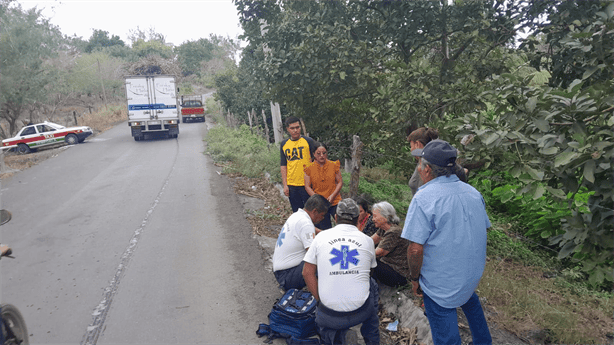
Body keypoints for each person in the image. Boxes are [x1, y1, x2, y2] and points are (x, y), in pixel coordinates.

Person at [401, 140, 492, 345]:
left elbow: (415, 249)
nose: (418, 168)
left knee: (446, 329)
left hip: (442, 281)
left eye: (419, 164)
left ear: (427, 170)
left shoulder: (424, 198)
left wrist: (415, 278)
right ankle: (483, 341)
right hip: (470, 275)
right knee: (470, 299)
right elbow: (480, 227)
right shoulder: (473, 193)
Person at [302, 198, 379, 345]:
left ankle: (339, 337)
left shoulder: (321, 237)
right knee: (372, 285)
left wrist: (320, 301)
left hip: (329, 315)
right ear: (358, 220)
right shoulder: (367, 241)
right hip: (360, 312)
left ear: (336, 218)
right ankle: (372, 339)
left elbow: (306, 273)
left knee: (322, 325)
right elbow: (369, 272)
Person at [272, 194, 330, 291]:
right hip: (287, 276)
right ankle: (319, 295)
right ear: (315, 211)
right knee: (322, 261)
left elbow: (311, 229)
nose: (322, 218)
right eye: (322, 215)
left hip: (280, 272)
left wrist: (326, 233)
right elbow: (313, 255)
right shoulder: (306, 224)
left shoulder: (297, 216)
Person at [406, 127, 467, 195]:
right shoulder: (445, 162)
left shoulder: (426, 166)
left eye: (411, 146)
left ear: (417, 144)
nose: (411, 150)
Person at [280, 116, 317, 212]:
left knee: (311, 212)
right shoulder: (284, 144)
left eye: (297, 127)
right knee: (297, 213)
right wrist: (285, 185)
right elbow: (284, 165)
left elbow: (316, 161)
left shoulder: (308, 141)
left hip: (307, 185)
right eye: (292, 128)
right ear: (288, 129)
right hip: (292, 185)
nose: (295, 130)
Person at [304, 142, 343, 230]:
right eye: (318, 153)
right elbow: (307, 186)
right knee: (324, 229)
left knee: (342, 224)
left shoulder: (334, 165)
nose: (322, 155)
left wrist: (333, 196)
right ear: (314, 154)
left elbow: (340, 182)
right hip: (320, 204)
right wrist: (317, 199)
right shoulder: (308, 168)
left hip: (334, 200)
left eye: (324, 153)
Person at [369, 202, 409, 288]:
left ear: (386, 217)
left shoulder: (394, 232)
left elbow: (379, 253)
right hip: (388, 265)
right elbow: (369, 241)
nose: (373, 219)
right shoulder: (383, 229)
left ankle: (373, 292)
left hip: (399, 273)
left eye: (375, 216)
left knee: (368, 261)